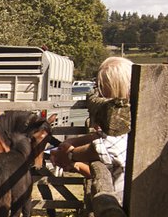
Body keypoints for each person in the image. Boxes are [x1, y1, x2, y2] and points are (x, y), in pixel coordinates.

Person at [50, 57, 133, 199]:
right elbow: (103, 137)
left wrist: (70, 154)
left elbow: (108, 146)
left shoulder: (125, 117)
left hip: (129, 208)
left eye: (104, 92)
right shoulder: (123, 118)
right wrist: (72, 145)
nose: (100, 96)